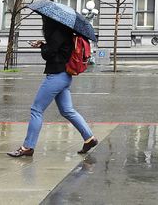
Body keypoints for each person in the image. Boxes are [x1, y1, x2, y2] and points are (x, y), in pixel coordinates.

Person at [7, 17, 98, 157]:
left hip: (56, 76)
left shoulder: (57, 33)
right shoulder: (67, 32)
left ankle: (27, 147)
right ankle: (89, 138)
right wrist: (44, 44)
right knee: (67, 110)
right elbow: (56, 50)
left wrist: (42, 46)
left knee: (36, 110)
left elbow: (49, 54)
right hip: (65, 76)